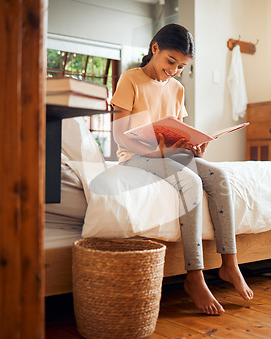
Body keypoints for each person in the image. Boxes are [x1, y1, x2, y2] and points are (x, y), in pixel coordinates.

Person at [111, 23, 253, 315]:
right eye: (170, 62)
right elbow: (119, 136)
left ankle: (230, 264)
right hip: (135, 156)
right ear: (155, 49)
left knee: (220, 177)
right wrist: (158, 150)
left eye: (182, 66)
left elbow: (176, 132)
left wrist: (193, 147)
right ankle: (195, 277)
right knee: (189, 181)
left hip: (168, 155)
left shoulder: (177, 89)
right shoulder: (130, 79)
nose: (174, 70)